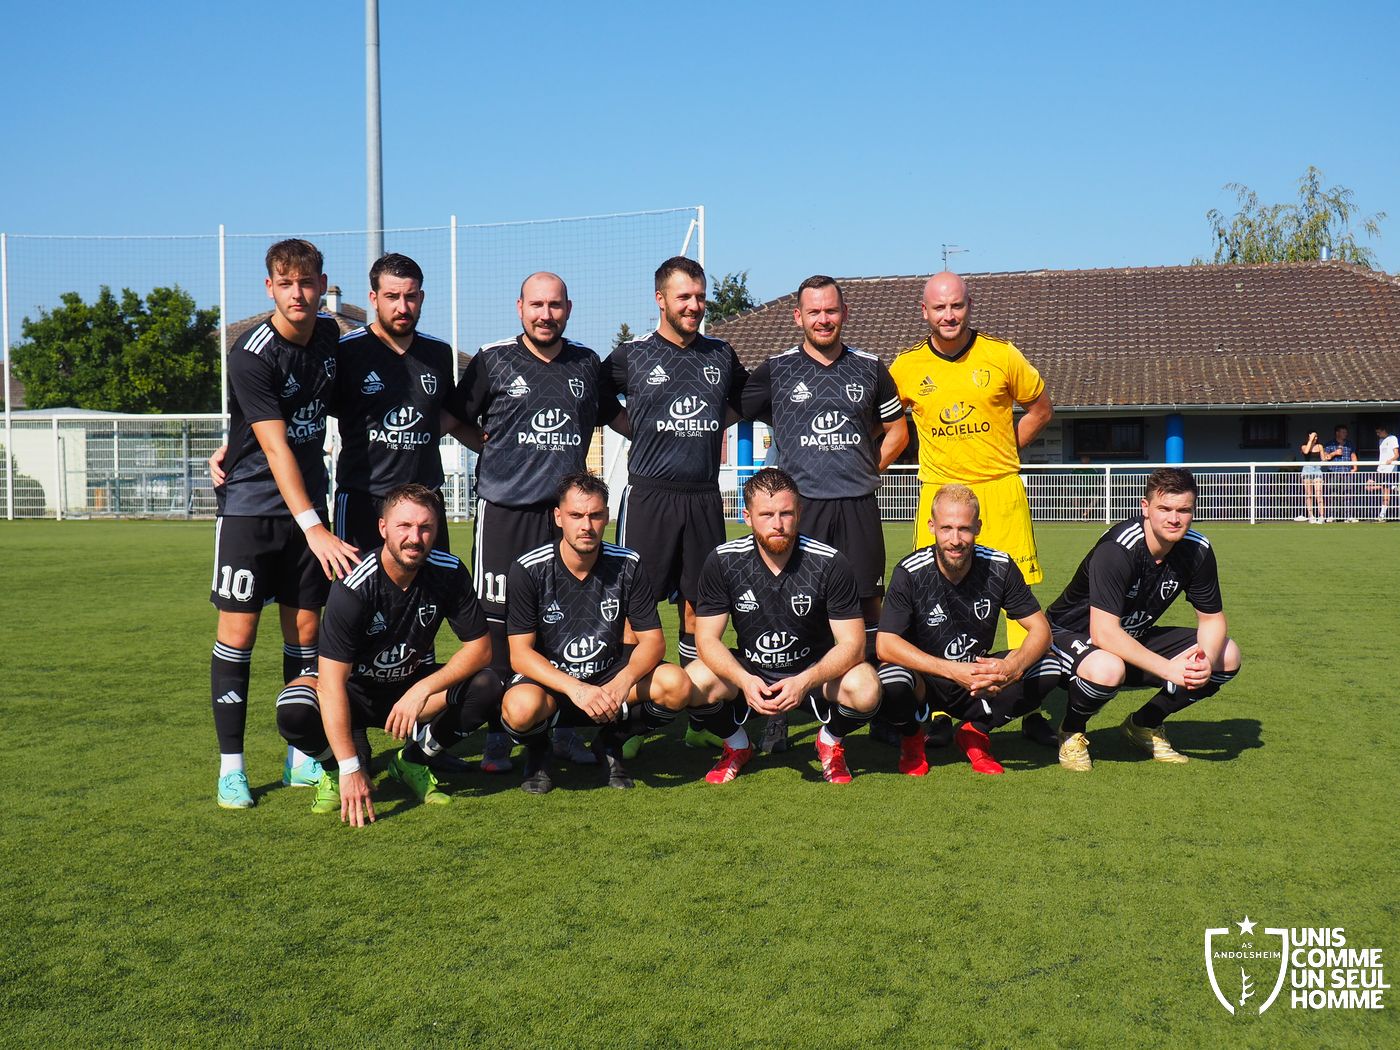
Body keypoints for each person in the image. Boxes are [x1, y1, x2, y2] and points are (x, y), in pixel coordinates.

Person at [443, 272, 622, 772]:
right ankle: (500, 733)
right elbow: (452, 417)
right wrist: (490, 450)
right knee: (498, 620)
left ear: (569, 308)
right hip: (505, 513)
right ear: (519, 307)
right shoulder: (493, 358)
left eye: (555, 305)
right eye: (537, 305)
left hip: (564, 517)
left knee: (567, 618)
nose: (546, 314)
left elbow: (615, 416)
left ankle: (562, 729)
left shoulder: (586, 363)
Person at [209, 239, 360, 810]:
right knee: (239, 635)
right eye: (286, 283)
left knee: (304, 632)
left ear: (322, 285)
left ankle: (300, 754)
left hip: (308, 507)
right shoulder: (250, 353)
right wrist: (314, 527)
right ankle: (231, 768)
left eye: (308, 282)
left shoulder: (329, 337)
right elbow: (274, 448)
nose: (298, 293)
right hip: (251, 509)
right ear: (269, 287)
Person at [888, 270, 1056, 748]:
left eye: (956, 305)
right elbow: (888, 426)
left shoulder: (1002, 355)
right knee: (932, 600)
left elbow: (1041, 409)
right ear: (924, 311)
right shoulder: (905, 367)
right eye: (939, 307)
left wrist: (1004, 453)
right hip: (939, 495)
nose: (949, 315)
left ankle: (1026, 706)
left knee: (1017, 605)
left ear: (969, 306)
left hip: (999, 493)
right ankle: (943, 707)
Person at [739, 275, 908, 752]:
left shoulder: (870, 368)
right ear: (798, 317)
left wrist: (866, 469)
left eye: (831, 310)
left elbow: (897, 430)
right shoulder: (776, 370)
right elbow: (731, 410)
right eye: (813, 311)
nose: (823, 319)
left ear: (844, 313)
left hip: (856, 507)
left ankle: (874, 706)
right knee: (788, 607)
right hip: (801, 510)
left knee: (867, 603)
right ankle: (778, 712)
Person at [276, 484, 503, 824]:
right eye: (404, 526)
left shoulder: (449, 571)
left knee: (488, 685)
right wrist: (349, 768)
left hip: (408, 690)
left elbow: (481, 649)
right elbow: (332, 684)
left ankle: (412, 761)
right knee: (293, 708)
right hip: (352, 693)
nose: (415, 537)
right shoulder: (354, 584)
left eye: (425, 527)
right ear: (383, 528)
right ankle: (333, 771)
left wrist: (421, 690)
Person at [603, 257, 748, 714]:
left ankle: (697, 715)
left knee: (700, 608)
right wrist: (637, 428)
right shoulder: (632, 354)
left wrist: (713, 423)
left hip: (704, 498)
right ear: (660, 300)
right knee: (635, 607)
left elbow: (748, 399)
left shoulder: (721, 354)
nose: (694, 305)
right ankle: (633, 719)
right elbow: (595, 398)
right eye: (684, 296)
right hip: (649, 497)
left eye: (700, 297)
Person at [499, 472, 700, 794]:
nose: (586, 525)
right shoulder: (528, 568)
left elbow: (653, 641)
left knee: (677, 684)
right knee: (519, 709)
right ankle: (539, 750)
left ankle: (610, 742)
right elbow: (520, 654)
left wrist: (622, 683)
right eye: (576, 515)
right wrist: (576, 689)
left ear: (607, 516)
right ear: (558, 517)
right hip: (554, 683)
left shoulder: (628, 563)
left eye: (595, 515)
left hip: (609, 677)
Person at [685, 468, 882, 784]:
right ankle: (737, 744)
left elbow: (853, 644)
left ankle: (829, 740)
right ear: (747, 517)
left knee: (867, 687)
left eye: (786, 513)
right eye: (766, 515)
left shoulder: (830, 562)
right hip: (752, 673)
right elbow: (706, 639)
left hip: (813, 673)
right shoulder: (723, 561)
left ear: (799, 513)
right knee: (692, 681)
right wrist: (744, 680)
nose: (777, 524)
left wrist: (804, 681)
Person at [1041, 468, 1242, 772]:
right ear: (1145, 507)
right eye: (1165, 509)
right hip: (1067, 634)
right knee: (1107, 667)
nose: (1174, 519)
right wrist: (1169, 669)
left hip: (1129, 636)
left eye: (1184, 510)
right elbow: (1104, 633)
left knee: (1227, 655)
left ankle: (1144, 724)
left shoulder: (1197, 549)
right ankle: (1071, 731)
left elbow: (1212, 620)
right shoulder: (1118, 549)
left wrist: (1206, 660)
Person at [875, 484, 1055, 776]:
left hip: (978, 680)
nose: (955, 540)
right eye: (946, 528)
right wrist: (952, 670)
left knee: (1048, 666)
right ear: (931, 526)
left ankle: (975, 732)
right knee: (891, 678)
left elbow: (1041, 630)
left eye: (964, 529)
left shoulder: (999, 566)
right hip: (927, 682)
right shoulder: (910, 571)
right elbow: (885, 644)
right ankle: (913, 738)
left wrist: (1012, 667)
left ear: (978, 527)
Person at [329, 253, 459, 552]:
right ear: (374, 298)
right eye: (392, 297)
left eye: (410, 297)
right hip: (364, 499)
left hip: (425, 502)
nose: (402, 307)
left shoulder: (438, 354)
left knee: (437, 582)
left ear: (421, 297)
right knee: (360, 582)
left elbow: (453, 413)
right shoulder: (347, 352)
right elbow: (303, 409)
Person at [1321, 424, 1358, 522]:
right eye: (1343, 432)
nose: (1346, 434)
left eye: (1346, 432)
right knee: (1332, 493)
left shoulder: (1349, 444)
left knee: (1348, 494)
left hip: (1346, 472)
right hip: (1333, 472)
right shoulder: (1330, 444)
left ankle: (1348, 516)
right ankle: (1332, 515)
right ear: (1337, 433)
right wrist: (1335, 453)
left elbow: (1353, 455)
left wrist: (1355, 467)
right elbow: (1325, 457)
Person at [1365, 423, 1397, 522]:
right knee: (1368, 486)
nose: (1378, 434)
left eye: (1379, 432)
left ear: (1384, 431)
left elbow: (1396, 454)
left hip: (1389, 469)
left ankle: (1382, 515)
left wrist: (1391, 460)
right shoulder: (1380, 441)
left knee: (1385, 491)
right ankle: (1394, 487)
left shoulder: (1392, 438)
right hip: (1381, 469)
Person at [1296, 431, 1326, 524]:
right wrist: (1310, 440)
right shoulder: (1304, 446)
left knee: (1319, 494)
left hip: (1317, 470)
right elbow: (1306, 451)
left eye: (1316, 436)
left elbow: (1323, 459)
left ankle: (1321, 516)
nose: (1315, 438)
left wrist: (1327, 457)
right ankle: (1311, 516)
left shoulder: (1320, 446)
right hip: (1307, 470)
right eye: (1313, 436)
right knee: (1309, 494)